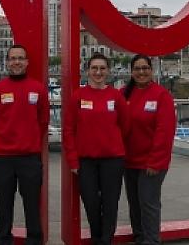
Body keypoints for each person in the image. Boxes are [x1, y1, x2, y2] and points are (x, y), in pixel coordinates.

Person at [0, 44, 49, 245]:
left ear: (27, 62)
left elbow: (43, 120)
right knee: (4, 204)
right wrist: (4, 139)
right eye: (13, 58)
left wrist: (28, 141)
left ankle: (34, 240)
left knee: (32, 204)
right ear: (7, 62)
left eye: (20, 58)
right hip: (3, 158)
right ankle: (4, 239)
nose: (17, 62)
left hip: (30, 158)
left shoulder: (38, 89)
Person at [63, 53, 129, 245]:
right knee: (91, 204)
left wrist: (112, 143)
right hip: (86, 162)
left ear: (108, 71)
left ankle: (105, 241)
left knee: (110, 205)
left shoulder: (116, 96)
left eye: (102, 68)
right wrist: (73, 161)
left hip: (113, 160)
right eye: (94, 68)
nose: (98, 72)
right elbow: (68, 130)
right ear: (87, 71)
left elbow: (125, 126)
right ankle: (96, 238)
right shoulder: (78, 96)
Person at [122, 55, 176, 245]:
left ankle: (151, 240)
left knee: (148, 204)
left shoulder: (162, 96)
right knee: (135, 205)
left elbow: (165, 132)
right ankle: (140, 238)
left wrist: (155, 162)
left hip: (151, 164)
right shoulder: (124, 94)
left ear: (151, 71)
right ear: (131, 72)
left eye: (145, 68)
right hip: (129, 162)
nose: (141, 72)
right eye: (137, 68)